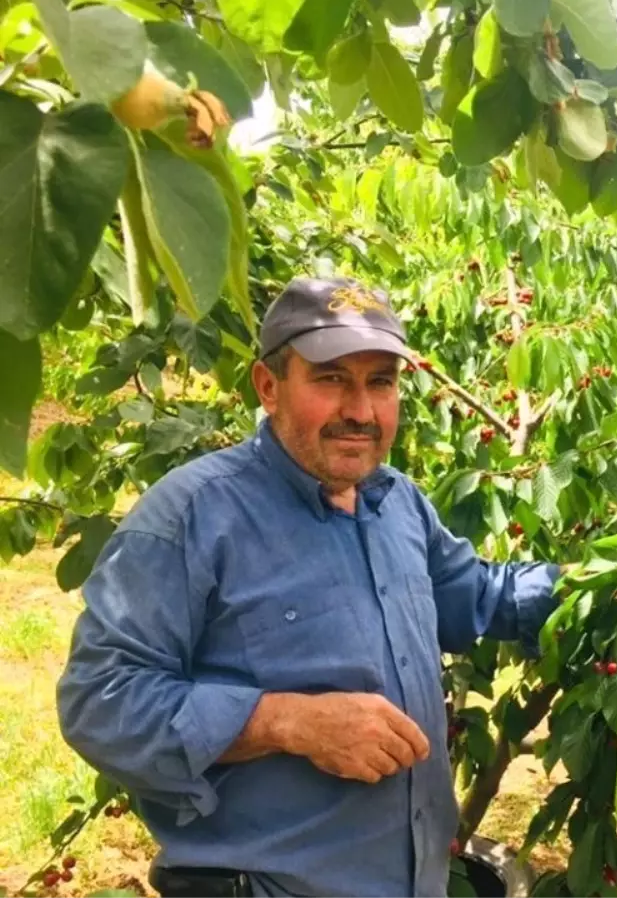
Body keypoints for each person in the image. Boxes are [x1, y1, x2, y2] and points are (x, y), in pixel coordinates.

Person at [57, 278, 566, 898]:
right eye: (331, 379)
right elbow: (100, 701)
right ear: (268, 387)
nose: (361, 410)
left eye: (380, 382)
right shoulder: (193, 518)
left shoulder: (397, 503)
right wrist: (285, 722)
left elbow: (478, 596)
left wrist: (616, 581)